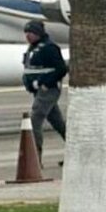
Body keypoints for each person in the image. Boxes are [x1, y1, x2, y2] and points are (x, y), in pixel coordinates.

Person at [22, 20, 68, 164]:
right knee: (57, 122)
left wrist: (46, 84)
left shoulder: (49, 48)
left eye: (31, 32)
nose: (28, 35)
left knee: (35, 120)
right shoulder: (32, 48)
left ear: (38, 33)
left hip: (48, 90)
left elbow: (61, 69)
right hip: (38, 91)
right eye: (26, 32)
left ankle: (35, 159)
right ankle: (77, 151)